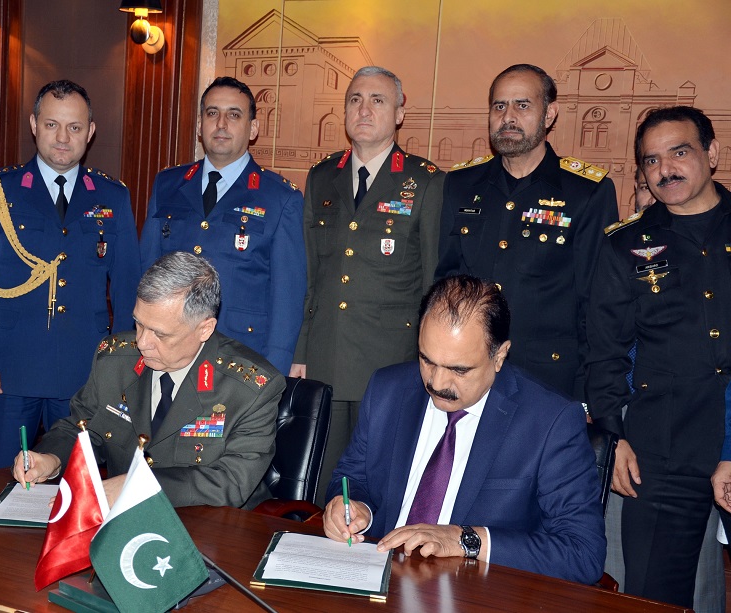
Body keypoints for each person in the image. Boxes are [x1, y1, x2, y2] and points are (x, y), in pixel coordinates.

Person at [324, 275, 605, 584]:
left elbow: (583, 554)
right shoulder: (388, 390)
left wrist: (466, 540)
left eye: (459, 370)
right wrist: (353, 509)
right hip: (375, 581)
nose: (436, 383)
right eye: (426, 360)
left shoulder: (550, 422)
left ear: (499, 356)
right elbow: (353, 478)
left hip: (474, 592)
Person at [586, 106, 731, 609]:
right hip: (660, 452)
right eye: (651, 160)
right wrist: (614, 434)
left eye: (680, 152)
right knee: (651, 598)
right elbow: (603, 349)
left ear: (712, 154)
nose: (665, 168)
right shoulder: (625, 246)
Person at [0, 80, 141, 472]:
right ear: (34, 125)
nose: (63, 137)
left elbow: (128, 289)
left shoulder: (112, 196)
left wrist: (124, 368)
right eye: (52, 124)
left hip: (84, 373)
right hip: (7, 370)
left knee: (77, 490)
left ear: (90, 132)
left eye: (74, 127)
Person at [13, 252, 285, 509]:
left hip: (211, 529)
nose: (142, 342)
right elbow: (80, 428)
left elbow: (231, 482)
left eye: (161, 334)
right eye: (139, 323)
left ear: (205, 329)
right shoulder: (115, 360)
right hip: (121, 525)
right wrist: (50, 458)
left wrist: (137, 486)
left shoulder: (250, 388)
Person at [290, 66, 445, 502]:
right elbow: (311, 276)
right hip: (324, 355)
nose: (364, 109)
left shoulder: (426, 181)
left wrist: (426, 362)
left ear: (399, 112)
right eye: (355, 99)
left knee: (377, 485)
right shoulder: (322, 177)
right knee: (319, 484)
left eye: (377, 100)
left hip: (389, 363)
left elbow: (432, 283)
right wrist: (301, 352)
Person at [436, 64, 618, 401]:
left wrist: (588, 395)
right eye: (499, 106)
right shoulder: (461, 185)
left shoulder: (586, 192)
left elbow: (595, 306)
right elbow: (446, 282)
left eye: (522, 105)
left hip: (546, 380)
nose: (508, 117)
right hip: (468, 374)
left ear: (550, 114)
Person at [140, 76, 305, 376]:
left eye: (234, 114)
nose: (221, 123)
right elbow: (146, 273)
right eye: (212, 113)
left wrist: (271, 375)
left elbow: (287, 299)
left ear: (253, 128)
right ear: (200, 123)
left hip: (239, 358)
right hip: (168, 353)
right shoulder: (168, 184)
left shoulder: (280, 197)